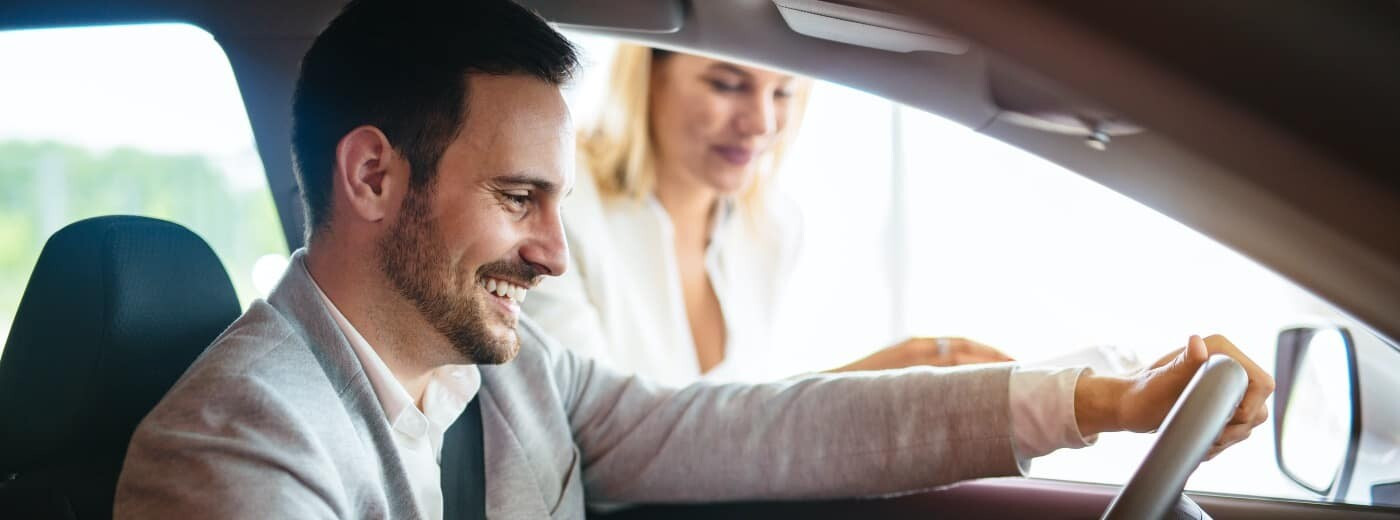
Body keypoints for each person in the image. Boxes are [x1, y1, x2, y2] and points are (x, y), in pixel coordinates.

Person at [114, 1, 1274, 518]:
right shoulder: (231, 453)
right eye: (519, 199)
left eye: (557, 202)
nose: (556, 253)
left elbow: (759, 429)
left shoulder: (512, 376)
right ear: (373, 178)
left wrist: (1093, 400)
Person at [524, 45, 1011, 386]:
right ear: (649, 74)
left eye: (783, 92)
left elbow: (722, 437)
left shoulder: (771, 228)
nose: (761, 123)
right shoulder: (562, 209)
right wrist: (849, 394)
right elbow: (606, 443)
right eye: (728, 84)